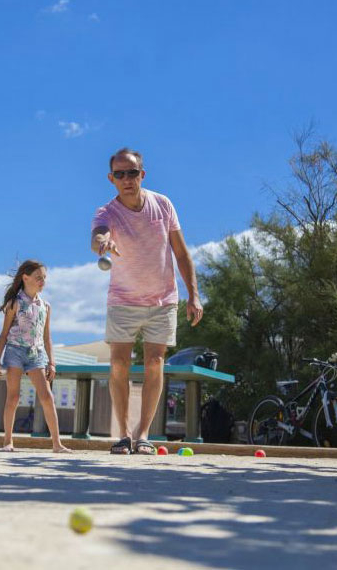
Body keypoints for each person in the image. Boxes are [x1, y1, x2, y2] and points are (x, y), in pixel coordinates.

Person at [90, 148, 203, 455]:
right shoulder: (106, 212)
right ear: (111, 179)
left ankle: (143, 435)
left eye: (132, 173)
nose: (127, 179)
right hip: (123, 299)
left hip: (162, 299)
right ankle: (123, 434)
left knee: (155, 362)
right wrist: (103, 242)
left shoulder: (163, 204)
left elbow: (181, 253)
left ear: (142, 174)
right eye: (120, 174)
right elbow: (97, 236)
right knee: (119, 363)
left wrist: (193, 294)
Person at [0, 260, 73, 453]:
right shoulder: (14, 303)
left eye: (44, 278)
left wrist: (52, 363)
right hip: (14, 351)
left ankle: (57, 444)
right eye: (38, 277)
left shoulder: (45, 306)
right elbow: (4, 333)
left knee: (47, 397)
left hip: (36, 354)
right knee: (13, 397)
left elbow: (47, 337)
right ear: (25, 278)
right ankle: (8, 441)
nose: (42, 281)